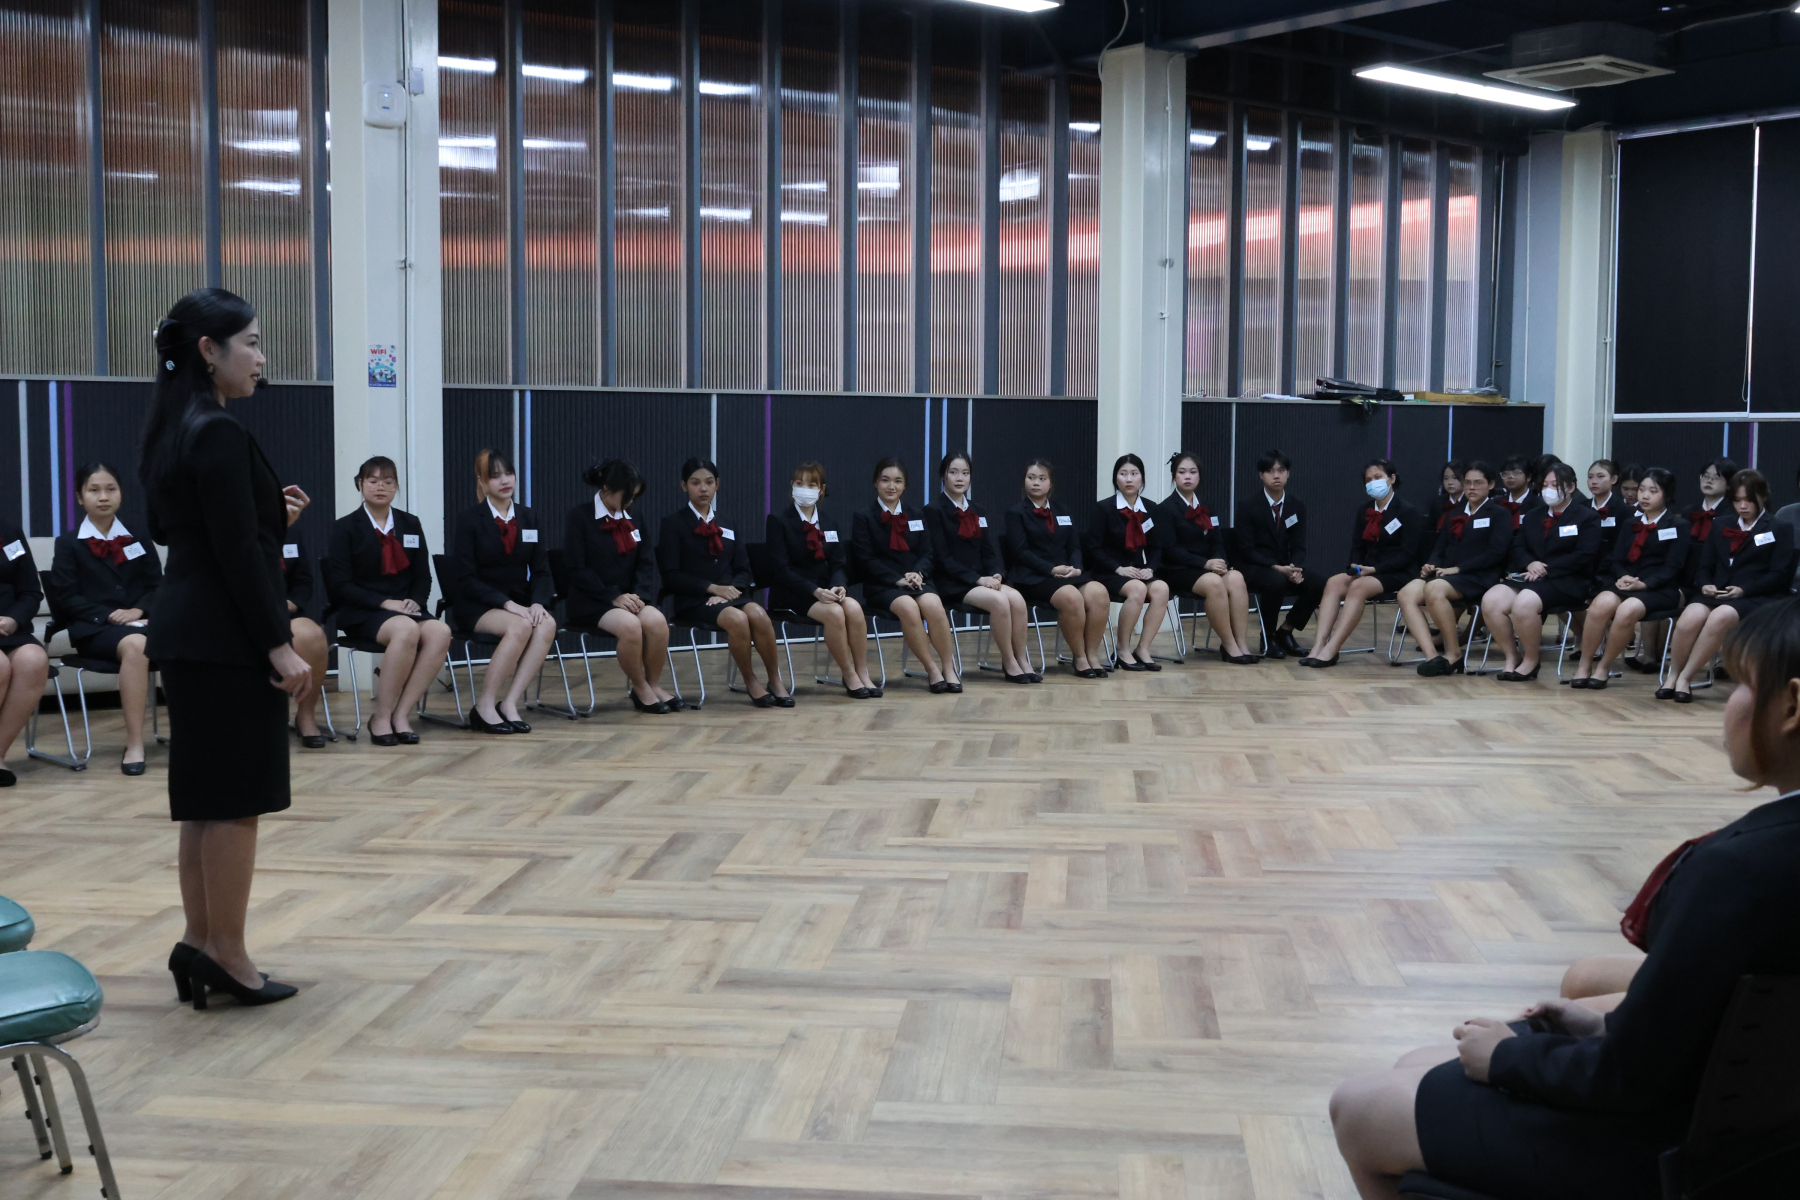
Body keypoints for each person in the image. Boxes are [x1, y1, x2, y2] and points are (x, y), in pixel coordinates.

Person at [1328, 596, 1800, 1200]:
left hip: (1670, 1147)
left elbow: (1629, 1077)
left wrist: (1506, 1060)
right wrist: (1601, 1023)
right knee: (1416, 1066)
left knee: (1361, 1105)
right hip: (1764, 1132)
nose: (1730, 703)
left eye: (1741, 684)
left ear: (1791, 706)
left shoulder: (1737, 872)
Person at [140, 287, 309, 1008]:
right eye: (253, 343)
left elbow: (187, 528)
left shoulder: (173, 424)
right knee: (236, 802)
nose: (261, 358)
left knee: (204, 801)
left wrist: (271, 516)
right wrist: (279, 644)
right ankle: (231, 956)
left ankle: (199, 942)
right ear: (209, 351)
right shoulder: (218, 431)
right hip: (225, 637)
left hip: (187, 630)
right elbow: (237, 553)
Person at [324, 456, 452, 743]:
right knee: (405, 629)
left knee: (440, 631)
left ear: (396, 487)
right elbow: (341, 585)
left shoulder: (410, 523)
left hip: (405, 609)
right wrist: (385, 604)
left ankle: (401, 713)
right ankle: (381, 715)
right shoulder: (345, 527)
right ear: (360, 484)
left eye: (387, 481)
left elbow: (423, 576)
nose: (380, 486)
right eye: (372, 480)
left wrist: (416, 600)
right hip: (364, 611)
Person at [46, 462, 162, 774]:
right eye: (94, 490)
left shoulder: (138, 537)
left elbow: (158, 586)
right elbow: (66, 596)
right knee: (136, 645)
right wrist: (110, 616)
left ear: (121, 493)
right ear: (79, 497)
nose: (103, 497)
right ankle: (135, 744)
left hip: (141, 623)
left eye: (111, 489)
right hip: (95, 630)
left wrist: (139, 610)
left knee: (193, 635)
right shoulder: (68, 543)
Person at [658, 456, 793, 707]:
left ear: (717, 485)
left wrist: (730, 591)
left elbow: (743, 569)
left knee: (759, 614)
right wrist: (712, 589)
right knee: (737, 619)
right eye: (695, 483)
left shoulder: (728, 523)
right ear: (684, 486)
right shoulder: (673, 524)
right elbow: (671, 575)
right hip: (695, 599)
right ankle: (750, 680)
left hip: (730, 595)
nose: (703, 488)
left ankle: (775, 679)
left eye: (709, 482)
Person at [448, 450, 558, 733]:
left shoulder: (529, 517)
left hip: (519, 603)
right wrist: (506, 603)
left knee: (547, 624)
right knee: (520, 626)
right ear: (482, 482)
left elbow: (541, 570)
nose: (505, 481)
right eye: (495, 476)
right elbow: (465, 578)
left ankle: (509, 703)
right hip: (478, 604)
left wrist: (538, 603)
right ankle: (484, 705)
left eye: (508, 473)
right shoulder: (469, 520)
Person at [1664, 469, 1796, 703]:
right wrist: (1705, 584)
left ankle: (1686, 677)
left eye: (1748, 500)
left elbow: (1780, 575)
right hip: (1718, 591)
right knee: (1689, 619)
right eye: (1737, 500)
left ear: (1763, 497)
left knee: (1720, 617)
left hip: (1756, 595)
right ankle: (1672, 676)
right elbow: (1705, 566)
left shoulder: (1779, 528)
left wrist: (1744, 590)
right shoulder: (1721, 524)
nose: (1742, 506)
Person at [564, 458, 682, 713]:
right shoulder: (580, 517)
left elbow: (646, 561)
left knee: (657, 622)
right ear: (606, 488)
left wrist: (638, 595)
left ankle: (653, 684)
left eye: (634, 497)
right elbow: (576, 569)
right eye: (627, 496)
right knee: (630, 626)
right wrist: (613, 596)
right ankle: (640, 687)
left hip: (629, 597)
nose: (631, 502)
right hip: (593, 600)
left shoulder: (635, 516)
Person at [766, 461, 880, 699]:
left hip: (824, 590)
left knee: (854, 608)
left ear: (821, 490)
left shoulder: (829, 522)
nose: (805, 489)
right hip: (793, 592)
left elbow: (838, 563)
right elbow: (781, 569)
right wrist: (814, 591)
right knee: (835, 613)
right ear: (792, 486)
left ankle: (862, 671)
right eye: (800, 483)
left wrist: (839, 585)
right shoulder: (778, 520)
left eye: (811, 485)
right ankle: (848, 674)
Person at [1568, 468, 1689, 690]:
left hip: (1659, 588)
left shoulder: (1678, 525)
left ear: (1667, 494)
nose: (1645, 495)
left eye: (1653, 491)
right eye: (1642, 490)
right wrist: (1622, 575)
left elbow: (1674, 567)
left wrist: (1645, 584)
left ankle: (1604, 667)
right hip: (1627, 583)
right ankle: (1585, 665)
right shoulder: (1630, 523)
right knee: (1599, 606)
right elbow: (1616, 559)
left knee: (1627, 610)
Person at [1479, 462, 1601, 682]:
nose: (1548, 490)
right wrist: (1530, 563)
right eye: (1545, 485)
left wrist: (1546, 569)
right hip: (1530, 576)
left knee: (1524, 603)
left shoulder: (1586, 517)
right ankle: (1512, 656)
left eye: (1555, 485)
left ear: (1571, 487)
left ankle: (1531, 659)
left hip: (1567, 579)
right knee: (1491, 600)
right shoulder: (1533, 515)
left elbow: (1585, 555)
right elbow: (1518, 546)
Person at [851, 457, 961, 693]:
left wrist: (918, 573)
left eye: (898, 481)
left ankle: (948, 668)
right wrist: (896, 579)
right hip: (883, 585)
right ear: (876, 483)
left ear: (905, 486)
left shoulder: (916, 514)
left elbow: (927, 552)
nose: (891, 486)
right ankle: (932, 669)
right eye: (885, 480)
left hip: (916, 581)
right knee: (908, 608)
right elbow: (865, 559)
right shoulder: (864, 516)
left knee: (934, 605)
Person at [926, 453, 1036, 683]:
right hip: (953, 582)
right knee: (999, 601)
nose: (960, 478)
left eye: (965, 473)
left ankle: (1021, 658)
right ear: (943, 475)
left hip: (982, 579)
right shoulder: (933, 510)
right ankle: (1009, 661)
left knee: (1017, 599)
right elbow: (942, 558)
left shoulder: (977, 510)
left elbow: (988, 551)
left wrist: (996, 573)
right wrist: (978, 579)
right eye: (954, 472)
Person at [1302, 459, 1421, 669]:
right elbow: (1357, 546)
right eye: (1368, 480)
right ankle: (1319, 644)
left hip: (1397, 571)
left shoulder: (1407, 511)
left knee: (1358, 586)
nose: (1373, 483)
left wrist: (1375, 569)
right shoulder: (1364, 510)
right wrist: (1355, 565)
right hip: (1368, 570)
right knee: (1334, 582)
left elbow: (1408, 554)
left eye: (1378, 477)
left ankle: (1332, 648)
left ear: (1392, 479)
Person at [1398, 461, 1510, 676]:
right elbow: (1440, 547)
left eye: (1478, 483)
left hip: (1479, 575)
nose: (1471, 487)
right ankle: (1432, 655)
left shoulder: (1499, 513)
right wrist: (1432, 564)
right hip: (1447, 574)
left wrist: (1458, 569)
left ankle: (1453, 653)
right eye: (1467, 482)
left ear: (1491, 485)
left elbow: (1496, 553)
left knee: (1434, 589)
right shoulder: (1454, 513)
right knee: (1406, 594)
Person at [1002, 459, 1112, 678]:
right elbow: (1021, 552)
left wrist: (1077, 568)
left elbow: (1074, 546)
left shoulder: (1062, 510)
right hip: (1034, 577)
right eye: (1031, 478)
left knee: (1099, 592)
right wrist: (1052, 569)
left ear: (1050, 483)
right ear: (1024, 481)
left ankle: (1092, 655)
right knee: (1071, 597)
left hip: (1067, 574)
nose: (1036, 483)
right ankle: (1079, 657)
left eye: (1042, 478)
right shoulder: (1016, 513)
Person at [1156, 451, 1255, 664]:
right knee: (1213, 583)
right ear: (1174, 476)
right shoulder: (1165, 509)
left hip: (1207, 567)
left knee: (1236, 577)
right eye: (1182, 472)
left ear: (1199, 476)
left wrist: (1220, 562)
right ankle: (1229, 644)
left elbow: (1217, 541)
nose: (1188, 476)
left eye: (1193, 472)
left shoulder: (1207, 507)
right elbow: (1170, 550)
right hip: (1178, 569)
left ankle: (1241, 642)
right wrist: (1205, 563)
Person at [1232, 449, 1325, 659]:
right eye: (1270, 471)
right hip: (1255, 566)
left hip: (1286, 565)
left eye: (1281, 470)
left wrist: (1295, 567)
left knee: (1320, 583)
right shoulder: (1248, 506)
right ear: (1261, 475)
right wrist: (1275, 567)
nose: (1276, 476)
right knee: (1276, 581)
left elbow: (1299, 545)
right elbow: (1246, 550)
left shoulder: (1296, 506)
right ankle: (1267, 636)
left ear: (1288, 474)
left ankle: (1286, 630)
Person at [1085, 454, 1172, 672]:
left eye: (1134, 474)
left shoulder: (1150, 508)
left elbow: (1156, 547)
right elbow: (1093, 548)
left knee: (1161, 588)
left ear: (1142, 478)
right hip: (1108, 571)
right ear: (1116, 479)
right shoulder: (1104, 509)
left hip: (1137, 570)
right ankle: (1122, 649)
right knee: (1137, 589)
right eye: (1123, 474)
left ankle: (1142, 648)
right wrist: (1118, 568)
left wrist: (1150, 568)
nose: (1129, 479)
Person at [0, 516, 50, 787]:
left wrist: (14, 619)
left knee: (34, 660)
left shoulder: (8, 531)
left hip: (7, 628)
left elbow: (31, 591)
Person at [278, 533, 330, 748]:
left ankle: (305, 715)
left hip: (285, 610)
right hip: (241, 613)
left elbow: (303, 581)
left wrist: (292, 602)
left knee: (313, 636)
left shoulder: (290, 533)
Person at [1682, 457, 1736, 586]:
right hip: (1685, 578)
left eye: (1716, 477)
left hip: (1715, 580)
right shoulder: (1688, 512)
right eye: (1706, 476)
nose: (1709, 481)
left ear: (1729, 484)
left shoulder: (1732, 514)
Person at [1423, 460, 1467, 538]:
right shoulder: (1437, 503)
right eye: (1446, 478)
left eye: (1455, 478)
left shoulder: (1471, 502)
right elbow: (1430, 530)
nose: (1450, 482)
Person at [1496, 455, 1533, 528]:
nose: (1510, 476)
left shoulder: (1538, 504)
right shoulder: (1496, 504)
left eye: (1516, 472)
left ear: (1528, 477)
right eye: (1505, 473)